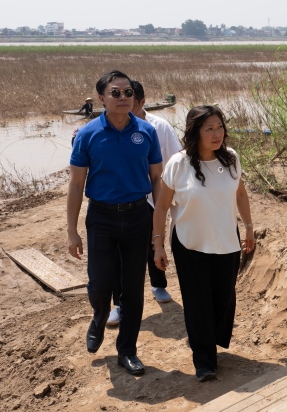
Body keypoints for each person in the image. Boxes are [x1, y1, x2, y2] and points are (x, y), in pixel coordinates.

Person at [66, 70, 164, 376]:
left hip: (138, 216)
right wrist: (71, 230)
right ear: (102, 99)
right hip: (102, 217)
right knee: (100, 282)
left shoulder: (146, 132)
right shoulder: (88, 134)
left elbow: (158, 178)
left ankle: (127, 351)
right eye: (116, 93)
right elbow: (75, 183)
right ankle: (99, 316)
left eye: (128, 93)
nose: (123, 98)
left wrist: (159, 228)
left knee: (133, 289)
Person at [152, 105, 255, 382]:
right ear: (195, 132)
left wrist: (249, 227)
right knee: (198, 303)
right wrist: (158, 244)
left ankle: (209, 340)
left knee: (223, 298)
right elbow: (161, 207)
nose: (216, 133)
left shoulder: (231, 159)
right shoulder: (179, 163)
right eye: (209, 128)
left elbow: (241, 194)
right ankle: (204, 361)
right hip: (189, 243)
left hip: (226, 241)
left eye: (219, 127)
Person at [105, 80, 182, 328]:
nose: (125, 108)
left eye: (131, 102)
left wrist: (171, 198)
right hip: (121, 200)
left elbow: (175, 160)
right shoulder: (110, 127)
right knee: (120, 254)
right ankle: (119, 303)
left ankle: (158, 285)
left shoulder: (158, 127)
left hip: (153, 198)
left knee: (154, 243)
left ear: (141, 102)